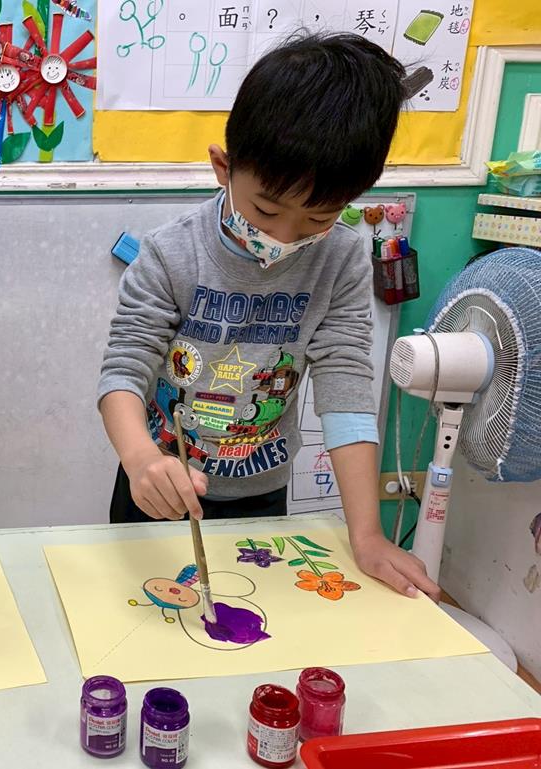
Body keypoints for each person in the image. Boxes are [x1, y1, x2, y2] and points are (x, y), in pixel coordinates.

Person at [98, 33, 440, 600]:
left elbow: (347, 391)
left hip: (260, 493)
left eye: (317, 219)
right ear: (223, 167)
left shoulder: (340, 260)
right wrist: (138, 457)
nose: (284, 236)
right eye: (266, 210)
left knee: (251, 614)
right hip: (156, 483)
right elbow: (124, 370)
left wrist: (367, 534)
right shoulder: (170, 253)